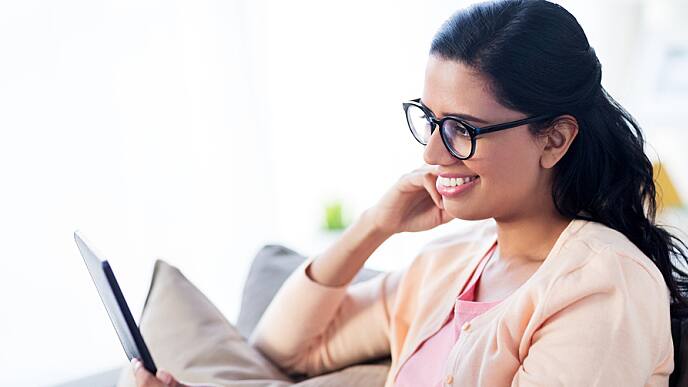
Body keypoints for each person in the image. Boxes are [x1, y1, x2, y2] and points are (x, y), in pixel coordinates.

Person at [133, 0, 688, 386]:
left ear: (555, 138)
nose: (432, 154)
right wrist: (373, 225)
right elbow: (281, 348)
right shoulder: (449, 265)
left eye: (463, 130)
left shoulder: (603, 284)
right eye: (430, 119)